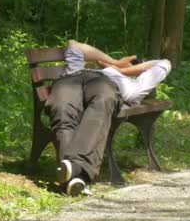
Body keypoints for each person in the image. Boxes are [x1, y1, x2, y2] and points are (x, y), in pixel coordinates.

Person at [46, 40, 171, 196]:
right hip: (71, 78)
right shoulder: (77, 66)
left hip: (104, 85)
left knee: (101, 106)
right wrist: (115, 62)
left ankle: (74, 173)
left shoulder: (134, 87)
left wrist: (122, 70)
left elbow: (164, 63)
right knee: (62, 110)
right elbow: (74, 45)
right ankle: (77, 176)